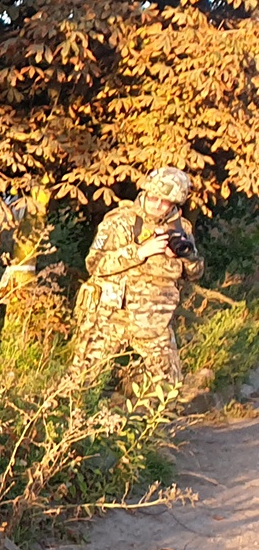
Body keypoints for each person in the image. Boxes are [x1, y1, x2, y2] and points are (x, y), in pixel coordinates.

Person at [70, 167, 202, 398]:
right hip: (110, 316)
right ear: (145, 192)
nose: (157, 205)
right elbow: (95, 265)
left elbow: (196, 273)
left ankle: (154, 432)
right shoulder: (118, 221)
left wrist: (185, 257)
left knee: (169, 389)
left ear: (175, 204)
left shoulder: (181, 229)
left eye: (165, 202)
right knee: (81, 380)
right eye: (153, 197)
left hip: (154, 319)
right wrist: (140, 252)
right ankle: (61, 426)